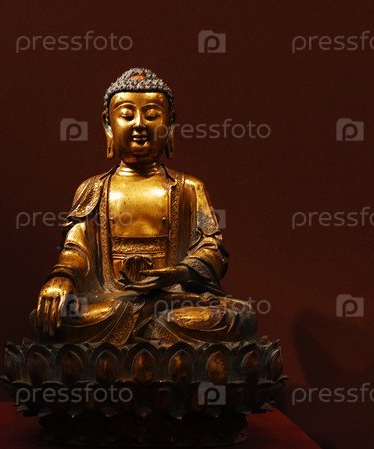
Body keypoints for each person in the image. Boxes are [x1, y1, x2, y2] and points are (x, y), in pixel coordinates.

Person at [32, 68, 256, 346]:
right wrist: (61, 279)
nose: (139, 124)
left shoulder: (189, 188)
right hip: (110, 304)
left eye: (151, 115)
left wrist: (179, 273)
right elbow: (76, 251)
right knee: (52, 319)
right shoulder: (93, 189)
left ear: (170, 125)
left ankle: (140, 334)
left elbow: (212, 250)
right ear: (107, 125)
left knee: (237, 317)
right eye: (127, 115)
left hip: (171, 303)